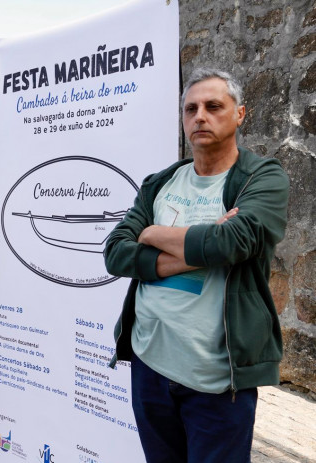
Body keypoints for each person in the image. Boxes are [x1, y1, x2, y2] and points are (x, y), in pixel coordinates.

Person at [104, 68, 290, 463]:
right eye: (191, 109)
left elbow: (234, 241)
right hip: (149, 364)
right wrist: (197, 249)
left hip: (217, 380)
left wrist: (150, 234)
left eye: (213, 106)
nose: (200, 116)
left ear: (240, 114)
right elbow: (116, 253)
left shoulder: (262, 177)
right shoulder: (161, 181)